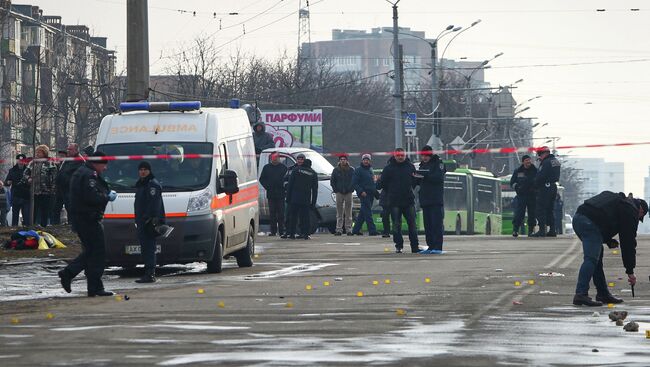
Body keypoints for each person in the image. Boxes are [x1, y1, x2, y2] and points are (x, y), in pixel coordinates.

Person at [571, 191, 647, 306]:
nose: (638, 219)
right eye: (640, 217)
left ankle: (603, 294)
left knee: (596, 258)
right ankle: (580, 294)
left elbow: (601, 216)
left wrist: (607, 240)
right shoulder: (630, 211)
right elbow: (628, 243)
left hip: (578, 218)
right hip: (589, 224)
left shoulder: (617, 200)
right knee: (591, 259)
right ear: (641, 210)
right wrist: (630, 271)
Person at [58, 151, 117, 297]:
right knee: (97, 251)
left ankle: (94, 286)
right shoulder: (89, 175)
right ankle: (69, 273)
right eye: (104, 165)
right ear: (98, 163)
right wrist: (106, 197)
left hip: (83, 218)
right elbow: (91, 197)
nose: (105, 169)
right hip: (87, 219)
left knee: (92, 252)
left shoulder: (83, 172)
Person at [379, 148, 419, 253]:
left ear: (405, 156)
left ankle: (415, 247)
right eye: (398, 155)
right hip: (394, 201)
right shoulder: (388, 168)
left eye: (402, 155)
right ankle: (399, 246)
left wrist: (409, 189)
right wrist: (392, 191)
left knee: (412, 225)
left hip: (408, 200)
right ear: (394, 156)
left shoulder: (410, 167)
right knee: (396, 225)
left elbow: (415, 181)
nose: (400, 157)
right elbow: (382, 183)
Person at [134, 161, 165, 283]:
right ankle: (148, 272)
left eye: (145, 169)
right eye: (140, 169)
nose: (142, 172)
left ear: (149, 171)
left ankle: (150, 273)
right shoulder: (142, 184)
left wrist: (147, 218)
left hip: (149, 222)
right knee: (145, 248)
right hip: (142, 221)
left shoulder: (152, 185)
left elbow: (154, 205)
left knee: (149, 248)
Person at [414, 146, 446, 254]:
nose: (424, 158)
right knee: (428, 225)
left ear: (430, 155)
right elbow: (420, 181)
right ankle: (431, 246)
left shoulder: (438, 163)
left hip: (436, 199)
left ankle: (438, 247)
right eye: (422, 156)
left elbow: (438, 177)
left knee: (436, 224)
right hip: (425, 199)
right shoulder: (422, 165)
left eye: (426, 156)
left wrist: (425, 176)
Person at [24, 145, 58, 227]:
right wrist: (28, 178)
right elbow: (25, 173)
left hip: (46, 191)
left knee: (44, 210)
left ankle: (44, 225)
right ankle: (32, 225)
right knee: (33, 209)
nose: (37, 153)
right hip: (34, 191)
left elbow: (54, 177)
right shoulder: (32, 163)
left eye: (39, 152)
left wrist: (53, 190)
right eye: (37, 152)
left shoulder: (50, 162)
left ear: (44, 153)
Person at [531, 146, 561, 237]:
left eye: (540, 154)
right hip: (553, 187)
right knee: (550, 209)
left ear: (544, 153)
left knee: (540, 209)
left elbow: (541, 176)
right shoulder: (555, 161)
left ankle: (542, 230)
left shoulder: (546, 162)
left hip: (545, 187)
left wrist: (535, 185)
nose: (539, 156)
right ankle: (552, 230)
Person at [285, 157, 318, 240]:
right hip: (305, 199)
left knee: (293, 217)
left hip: (294, 198)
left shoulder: (296, 170)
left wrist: (288, 198)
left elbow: (290, 185)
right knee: (305, 217)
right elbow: (315, 190)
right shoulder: (313, 173)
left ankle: (292, 234)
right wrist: (313, 203)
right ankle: (305, 234)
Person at [54, 144, 84, 225]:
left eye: (70, 149)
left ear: (76, 150)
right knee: (56, 208)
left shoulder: (79, 160)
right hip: (61, 188)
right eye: (68, 149)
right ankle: (55, 225)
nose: (68, 151)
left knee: (70, 208)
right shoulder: (68, 159)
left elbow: (78, 175)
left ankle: (72, 225)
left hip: (70, 189)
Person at [259, 152, 288, 236]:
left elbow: (287, 179)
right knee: (272, 214)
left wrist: (284, 187)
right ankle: (273, 231)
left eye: (277, 158)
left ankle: (282, 231)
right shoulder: (267, 168)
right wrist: (267, 186)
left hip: (281, 194)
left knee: (281, 213)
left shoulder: (283, 168)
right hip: (271, 194)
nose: (275, 159)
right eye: (274, 158)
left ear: (279, 158)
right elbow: (262, 179)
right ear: (271, 158)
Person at [510, 155, 538, 237]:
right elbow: (512, 182)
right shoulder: (518, 171)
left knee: (532, 214)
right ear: (523, 162)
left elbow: (539, 181)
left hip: (532, 196)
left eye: (529, 160)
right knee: (519, 213)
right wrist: (517, 187)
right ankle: (515, 230)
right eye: (526, 160)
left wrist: (535, 189)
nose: (528, 162)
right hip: (521, 195)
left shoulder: (535, 171)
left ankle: (531, 230)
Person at [351, 154, 378, 236]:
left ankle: (355, 230)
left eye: (367, 160)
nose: (366, 161)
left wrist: (376, 193)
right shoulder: (358, 170)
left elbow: (373, 183)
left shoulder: (371, 170)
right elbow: (354, 183)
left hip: (371, 194)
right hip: (364, 194)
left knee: (363, 213)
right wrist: (361, 191)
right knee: (368, 213)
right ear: (362, 160)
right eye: (364, 160)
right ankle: (372, 230)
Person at [330, 154, 355, 236]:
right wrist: (336, 190)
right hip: (339, 193)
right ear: (339, 161)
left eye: (344, 159)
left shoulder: (351, 170)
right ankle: (339, 229)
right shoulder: (336, 170)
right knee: (339, 212)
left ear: (347, 160)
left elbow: (354, 180)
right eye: (341, 159)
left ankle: (349, 229)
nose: (343, 160)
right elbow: (332, 181)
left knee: (349, 212)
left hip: (348, 193)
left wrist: (351, 189)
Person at [281, 154, 304, 239]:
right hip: (290, 196)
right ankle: (287, 232)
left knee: (300, 216)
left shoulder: (306, 170)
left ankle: (301, 232)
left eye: (301, 159)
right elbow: (284, 180)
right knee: (288, 215)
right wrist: (287, 187)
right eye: (298, 159)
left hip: (301, 197)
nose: (300, 161)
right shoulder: (291, 169)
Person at [4, 154, 30, 226]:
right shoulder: (12, 170)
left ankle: (26, 229)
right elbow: (6, 182)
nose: (20, 162)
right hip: (16, 196)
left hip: (26, 196)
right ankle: (14, 229)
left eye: (22, 160)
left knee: (26, 215)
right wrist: (8, 182)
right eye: (19, 160)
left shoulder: (28, 170)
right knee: (15, 215)